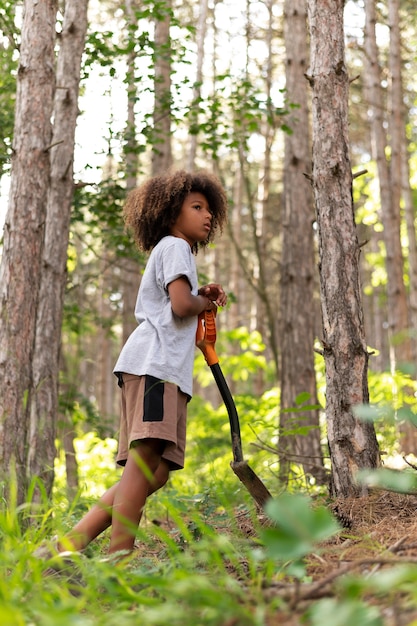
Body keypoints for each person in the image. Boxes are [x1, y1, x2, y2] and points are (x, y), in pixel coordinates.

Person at [50, 169, 228, 559]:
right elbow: (182, 306)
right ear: (169, 213)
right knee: (143, 460)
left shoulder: (171, 251)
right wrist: (206, 302)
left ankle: (64, 548)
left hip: (163, 371)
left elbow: (179, 303)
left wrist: (201, 295)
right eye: (196, 207)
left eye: (209, 209)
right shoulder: (175, 246)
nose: (207, 215)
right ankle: (119, 560)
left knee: (156, 471)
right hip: (154, 366)